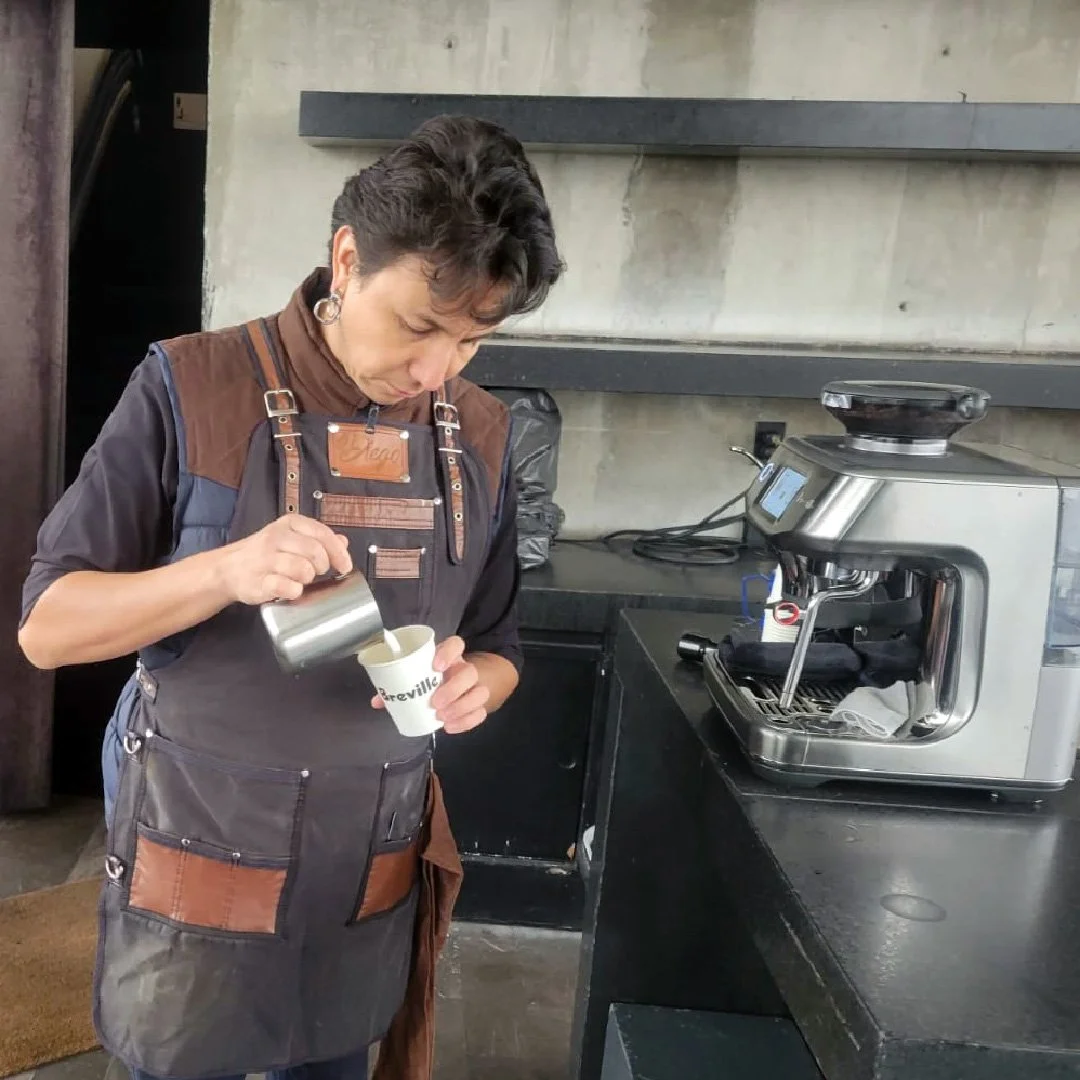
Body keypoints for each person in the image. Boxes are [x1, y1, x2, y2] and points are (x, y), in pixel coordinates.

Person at [18, 114, 563, 1080]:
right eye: (419, 326)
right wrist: (221, 571)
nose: (435, 372)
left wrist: (477, 681)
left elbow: (497, 639)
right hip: (204, 831)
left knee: (336, 1053)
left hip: (369, 847)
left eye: (474, 341)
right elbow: (49, 630)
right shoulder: (195, 387)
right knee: (186, 1052)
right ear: (347, 259)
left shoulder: (476, 432)